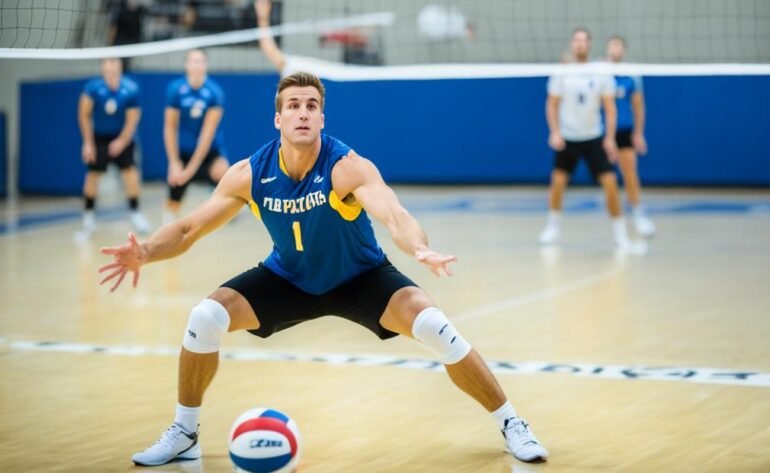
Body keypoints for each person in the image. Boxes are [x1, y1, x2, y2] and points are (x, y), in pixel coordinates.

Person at [98, 71, 549, 466]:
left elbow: (394, 214)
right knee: (204, 318)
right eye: (293, 105)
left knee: (434, 325)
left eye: (311, 106)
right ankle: (185, 433)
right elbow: (188, 228)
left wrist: (419, 249)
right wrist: (146, 252)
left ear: (322, 119)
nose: (302, 113)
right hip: (287, 278)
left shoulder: (345, 167)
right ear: (278, 119)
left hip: (361, 277)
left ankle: (512, 424)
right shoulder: (249, 173)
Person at [538, 29, 641, 252]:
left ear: (590, 44)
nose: (580, 44)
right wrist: (554, 132)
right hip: (568, 137)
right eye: (576, 40)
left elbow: (610, 108)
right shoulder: (562, 72)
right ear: (571, 43)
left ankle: (620, 235)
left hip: (594, 137)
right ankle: (553, 227)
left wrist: (610, 138)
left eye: (584, 40)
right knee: (557, 182)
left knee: (611, 183)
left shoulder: (600, 72)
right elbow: (552, 104)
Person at [78, 57, 150, 238]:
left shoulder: (131, 88)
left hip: (123, 137)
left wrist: (122, 141)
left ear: (120, 65)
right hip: (99, 138)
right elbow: (84, 115)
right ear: (102, 66)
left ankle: (135, 213)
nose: (110, 67)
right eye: (107, 63)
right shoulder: (92, 88)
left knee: (130, 174)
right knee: (93, 175)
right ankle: (88, 219)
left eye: (114, 62)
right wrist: (88, 142)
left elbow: (133, 118)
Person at [163, 49, 230, 224]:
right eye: (193, 61)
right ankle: (169, 220)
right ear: (186, 65)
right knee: (174, 193)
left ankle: (223, 207)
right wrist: (174, 162)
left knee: (223, 171)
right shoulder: (176, 89)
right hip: (184, 150)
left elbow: (206, 136)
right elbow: (170, 127)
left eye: (200, 61)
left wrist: (190, 171)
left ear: (205, 65)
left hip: (209, 150)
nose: (196, 65)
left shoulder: (214, 92)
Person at [607, 36, 656, 237]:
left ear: (623, 49)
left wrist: (638, 133)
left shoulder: (631, 75)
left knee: (629, 172)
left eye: (617, 45)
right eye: (611, 45)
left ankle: (637, 214)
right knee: (606, 177)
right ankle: (616, 222)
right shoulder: (599, 72)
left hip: (624, 129)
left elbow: (638, 106)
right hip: (601, 132)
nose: (614, 48)